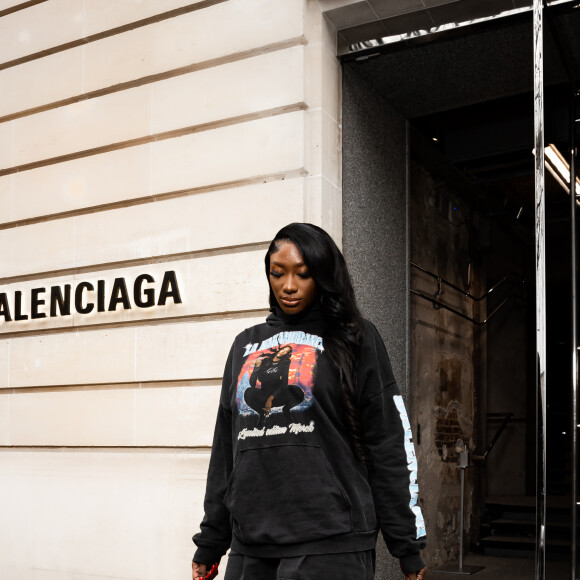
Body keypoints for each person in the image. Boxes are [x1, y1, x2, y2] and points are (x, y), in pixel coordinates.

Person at [192, 223, 427, 580]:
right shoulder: (244, 344)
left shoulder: (356, 339)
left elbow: (389, 443)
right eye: (277, 273)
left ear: (322, 274)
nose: (288, 286)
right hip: (251, 545)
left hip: (331, 542)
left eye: (303, 274)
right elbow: (226, 450)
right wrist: (212, 540)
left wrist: (406, 544)